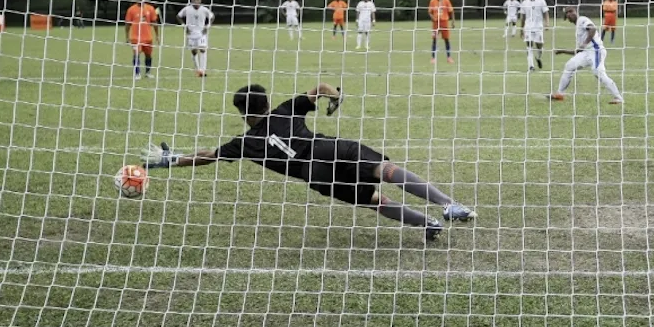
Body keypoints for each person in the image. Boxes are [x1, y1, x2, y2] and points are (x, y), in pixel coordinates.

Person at [142, 83, 477, 240]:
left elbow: (206, 157)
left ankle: (428, 224)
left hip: (314, 174)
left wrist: (172, 160)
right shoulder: (285, 109)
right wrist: (336, 97)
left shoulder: (243, 143)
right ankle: (448, 205)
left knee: (374, 200)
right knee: (386, 171)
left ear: (242, 113)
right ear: (266, 103)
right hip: (329, 149)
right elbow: (321, 87)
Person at [549, 7, 623, 104]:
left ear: (576, 11)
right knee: (569, 66)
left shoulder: (582, 20)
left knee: (598, 73)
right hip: (586, 53)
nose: (569, 14)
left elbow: (592, 29)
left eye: (571, 11)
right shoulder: (578, 28)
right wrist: (562, 51)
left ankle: (618, 98)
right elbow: (578, 51)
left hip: (596, 50)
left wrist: (585, 43)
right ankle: (560, 94)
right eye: (567, 13)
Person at [177, 0, 215, 77]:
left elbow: (212, 17)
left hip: (201, 33)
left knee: (202, 49)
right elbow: (178, 16)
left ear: (200, 1)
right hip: (191, 34)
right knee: (194, 51)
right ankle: (198, 70)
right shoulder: (187, 9)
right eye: (194, 0)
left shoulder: (204, 9)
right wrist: (184, 26)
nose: (196, 2)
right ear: (192, 1)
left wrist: (207, 26)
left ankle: (203, 70)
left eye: (197, 0)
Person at [124, 0, 159, 80]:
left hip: (148, 38)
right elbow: (127, 24)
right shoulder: (131, 10)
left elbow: (154, 22)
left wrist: (157, 35)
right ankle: (137, 73)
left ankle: (148, 72)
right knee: (136, 54)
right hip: (136, 38)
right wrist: (127, 36)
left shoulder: (150, 8)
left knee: (148, 55)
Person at [519, 0, 550, 71]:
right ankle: (531, 66)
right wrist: (521, 29)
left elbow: (546, 13)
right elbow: (523, 17)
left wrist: (547, 23)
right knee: (529, 45)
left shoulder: (541, 1)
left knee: (539, 45)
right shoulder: (524, 3)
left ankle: (538, 57)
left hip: (538, 26)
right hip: (528, 27)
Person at [428, 0, 455, 64]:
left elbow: (451, 11)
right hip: (436, 23)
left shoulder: (446, 1)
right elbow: (430, 12)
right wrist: (432, 17)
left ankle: (449, 57)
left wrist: (453, 22)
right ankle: (433, 58)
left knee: (446, 40)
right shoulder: (432, 1)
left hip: (444, 22)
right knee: (434, 40)